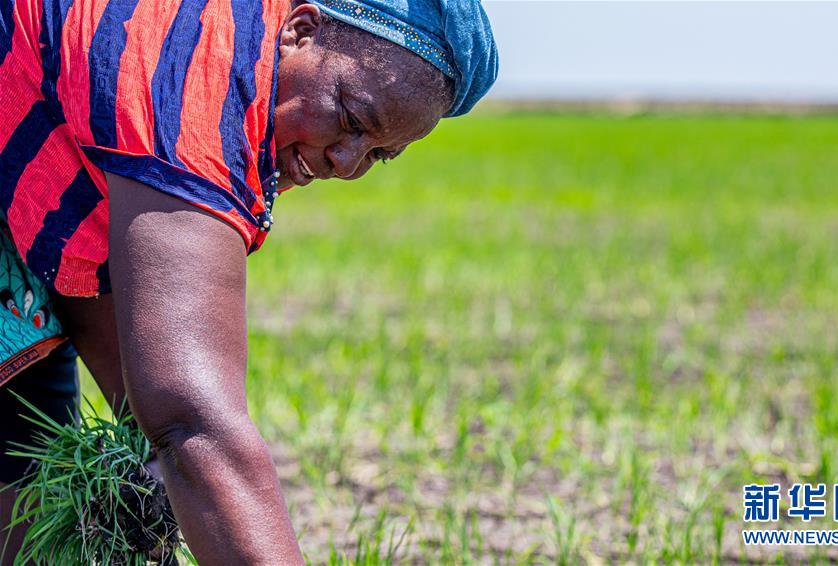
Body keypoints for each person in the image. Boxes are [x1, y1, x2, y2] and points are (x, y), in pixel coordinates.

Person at [0, 0, 498, 562]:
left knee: (26, 471)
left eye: (379, 154)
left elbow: (101, 287)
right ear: (300, 31)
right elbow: (192, 418)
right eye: (351, 117)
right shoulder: (189, 75)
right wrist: (182, 451)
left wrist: (158, 463)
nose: (347, 161)